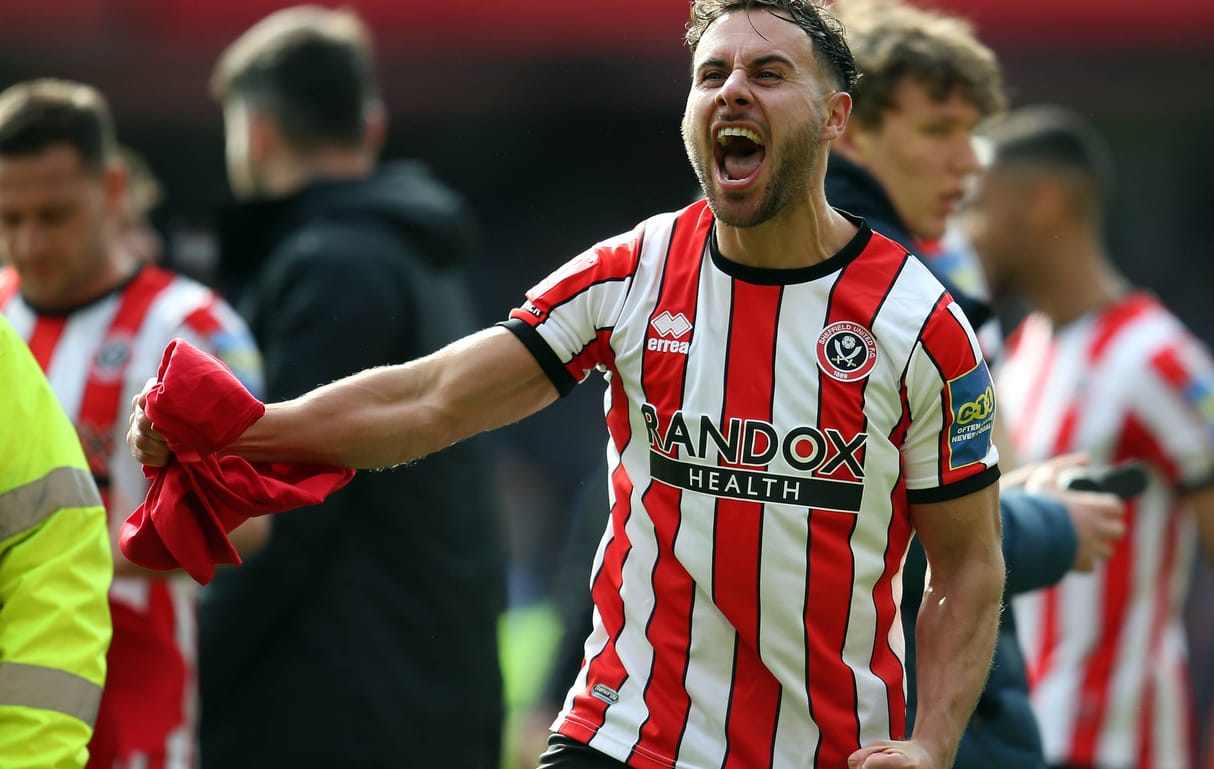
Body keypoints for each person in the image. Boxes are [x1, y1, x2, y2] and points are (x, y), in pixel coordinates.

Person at [132, 1, 1008, 768]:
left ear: (833, 117)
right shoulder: (631, 273)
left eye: (769, 73)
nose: (732, 90)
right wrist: (240, 430)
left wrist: (930, 742)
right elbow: (430, 397)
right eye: (711, 75)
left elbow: (968, 563)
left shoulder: (921, 325)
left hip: (824, 748)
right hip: (621, 737)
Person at [963, 104, 1214, 769]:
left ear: (1044, 202)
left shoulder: (1160, 360)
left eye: (980, 207)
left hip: (1119, 744)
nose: (966, 231)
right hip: (1021, 737)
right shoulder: (1022, 354)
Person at [197, 7, 505, 769]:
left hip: (335, 710)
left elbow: (283, 508)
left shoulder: (333, 265)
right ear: (371, 126)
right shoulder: (417, 256)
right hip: (431, 689)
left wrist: (193, 671)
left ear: (257, 132)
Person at [823, 4, 1126, 767]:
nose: (970, 159)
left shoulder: (908, 267)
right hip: (924, 721)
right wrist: (1054, 524)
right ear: (849, 127)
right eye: (937, 130)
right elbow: (909, 537)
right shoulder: (883, 292)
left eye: (972, 131)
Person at [0, 78, 266, 769]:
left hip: (139, 717)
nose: (29, 243)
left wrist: (63, 550)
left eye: (54, 215)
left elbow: (251, 517)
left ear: (114, 189)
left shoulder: (194, 329)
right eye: (9, 217)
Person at [0, 314, 113, 769]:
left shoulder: (183, 318)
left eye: (52, 233)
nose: (30, 247)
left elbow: (52, 541)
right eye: (13, 234)